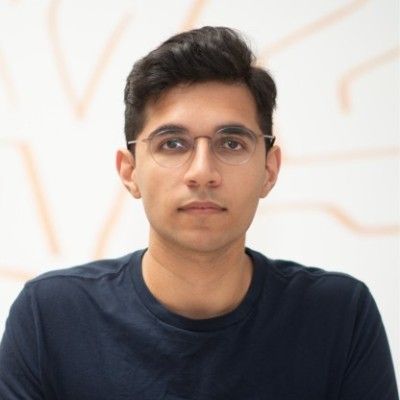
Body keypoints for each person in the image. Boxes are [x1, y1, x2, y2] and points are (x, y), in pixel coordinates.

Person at [0, 26, 397, 400]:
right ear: (130, 171)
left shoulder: (338, 316)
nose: (203, 172)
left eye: (232, 143)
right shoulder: (51, 317)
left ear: (269, 169)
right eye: (173, 144)